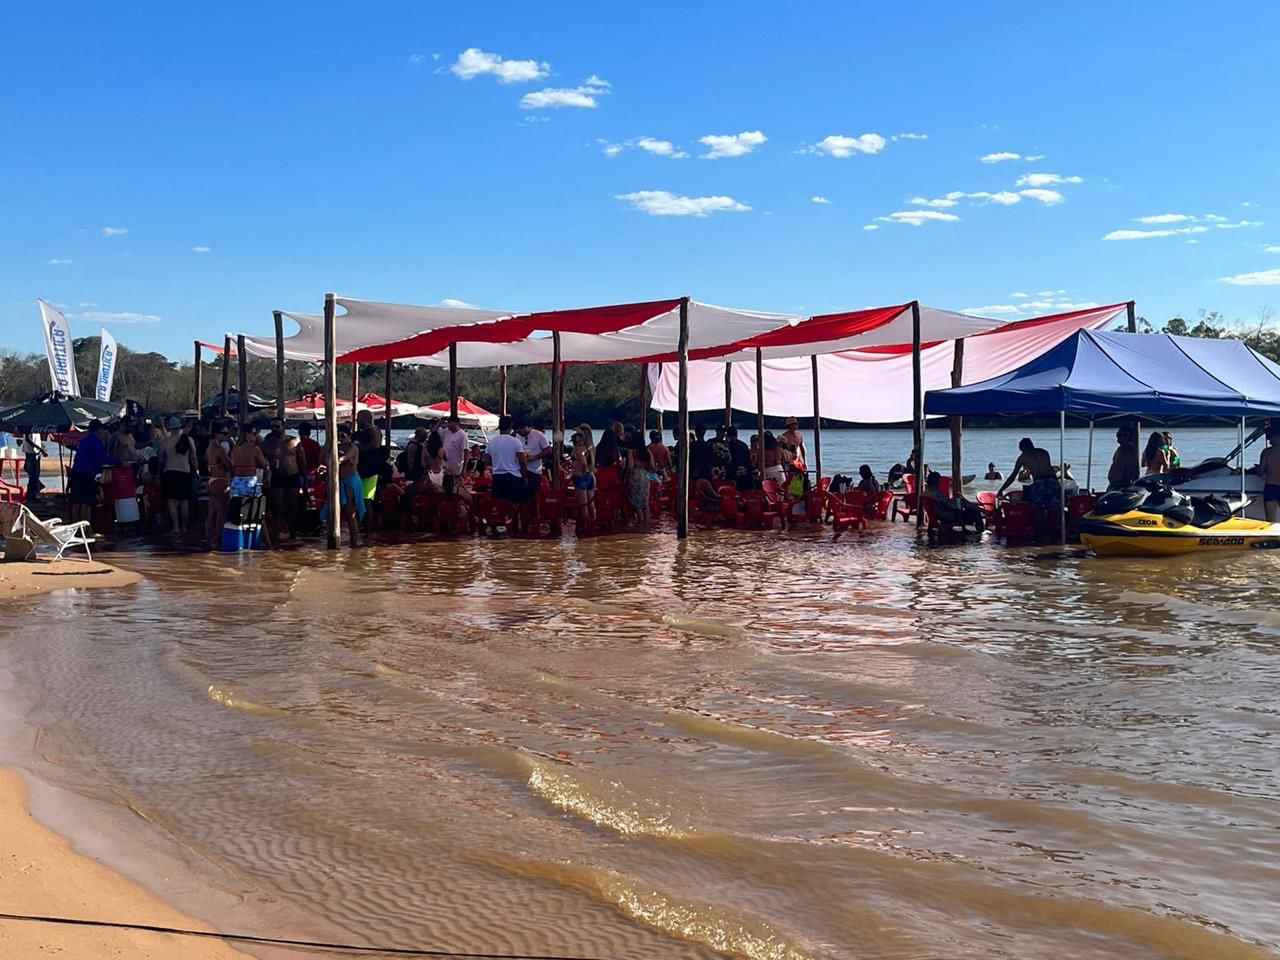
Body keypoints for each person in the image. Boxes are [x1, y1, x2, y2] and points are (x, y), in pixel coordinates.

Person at [997, 437, 1060, 535]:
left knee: (1039, 511)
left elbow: (1013, 476)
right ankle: (1055, 533)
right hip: (1052, 480)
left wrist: (1001, 489)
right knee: (1055, 509)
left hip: (1039, 482)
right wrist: (1058, 485)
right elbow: (1050, 468)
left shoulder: (1023, 457)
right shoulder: (1044, 452)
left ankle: (1040, 535)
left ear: (1022, 448)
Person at [262, 418, 304, 539]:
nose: (274, 429)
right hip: (277, 477)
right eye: (272, 427)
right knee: (277, 508)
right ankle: (275, 537)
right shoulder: (267, 443)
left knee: (293, 508)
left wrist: (304, 479)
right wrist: (265, 477)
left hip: (292, 476)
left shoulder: (294, 441)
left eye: (277, 426)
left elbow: (302, 461)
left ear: (283, 426)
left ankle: (293, 535)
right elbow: (261, 462)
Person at [68, 420, 115, 525]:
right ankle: (87, 528)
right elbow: (103, 459)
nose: (104, 432)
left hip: (76, 473)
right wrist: (119, 462)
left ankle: (75, 527)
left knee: (76, 502)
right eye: (103, 429)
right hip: (86, 474)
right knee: (86, 503)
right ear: (98, 430)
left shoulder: (84, 440)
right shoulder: (96, 442)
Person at [158, 417, 198, 535]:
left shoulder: (165, 443)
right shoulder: (189, 440)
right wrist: (195, 470)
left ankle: (176, 527)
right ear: (180, 427)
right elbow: (194, 458)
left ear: (170, 428)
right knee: (184, 501)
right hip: (184, 472)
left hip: (170, 473)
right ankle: (184, 527)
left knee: (171, 501)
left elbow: (161, 460)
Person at [486, 415, 526, 523]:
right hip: (513, 476)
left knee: (498, 503)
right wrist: (524, 476)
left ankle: (499, 523)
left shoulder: (492, 442)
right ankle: (513, 525)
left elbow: (487, 460)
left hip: (498, 476)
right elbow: (522, 460)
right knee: (514, 504)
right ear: (510, 427)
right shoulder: (516, 442)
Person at [205, 421, 234, 544]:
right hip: (221, 481)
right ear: (217, 434)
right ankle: (219, 540)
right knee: (221, 514)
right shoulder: (219, 449)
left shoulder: (210, 446)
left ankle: (208, 539)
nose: (227, 436)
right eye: (224, 433)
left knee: (211, 513)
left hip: (212, 479)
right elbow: (230, 466)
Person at [517, 418, 551, 498]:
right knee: (520, 494)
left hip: (534, 470)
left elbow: (548, 450)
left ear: (528, 427)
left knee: (533, 495)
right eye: (519, 430)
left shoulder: (539, 435)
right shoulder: (517, 436)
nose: (521, 432)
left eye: (523, 429)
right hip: (520, 469)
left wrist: (534, 457)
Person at [628, 447, 660, 529]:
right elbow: (653, 467)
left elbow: (630, 467)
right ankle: (646, 524)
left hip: (635, 476)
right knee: (645, 502)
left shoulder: (632, 451)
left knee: (637, 502)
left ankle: (641, 523)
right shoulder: (648, 451)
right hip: (645, 476)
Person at [570, 430, 596, 525]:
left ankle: (585, 528)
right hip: (590, 477)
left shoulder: (578, 449)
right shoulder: (588, 447)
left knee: (583, 506)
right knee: (591, 504)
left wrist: (583, 471)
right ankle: (593, 524)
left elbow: (584, 462)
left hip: (581, 477)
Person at [442, 415, 469, 494]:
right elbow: (434, 433)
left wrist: (464, 469)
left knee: (454, 489)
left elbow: (466, 452)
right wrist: (440, 422)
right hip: (445, 468)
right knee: (445, 489)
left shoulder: (462, 435)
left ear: (456, 423)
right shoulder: (446, 432)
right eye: (448, 423)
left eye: (450, 423)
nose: (448, 425)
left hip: (456, 468)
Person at [1258, 428, 1280, 522]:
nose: (1269, 440)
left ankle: (1272, 536)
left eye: (1270, 437)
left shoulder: (1267, 452)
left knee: (1271, 521)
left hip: (1271, 487)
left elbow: (1261, 471)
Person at [20, 428, 47, 499]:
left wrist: (41, 448)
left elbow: (35, 440)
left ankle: (33, 492)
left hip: (35, 452)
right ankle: (31, 494)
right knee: (33, 474)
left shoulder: (36, 427)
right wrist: (40, 448)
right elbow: (27, 439)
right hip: (31, 452)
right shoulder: (29, 426)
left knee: (34, 474)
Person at [726, 427, 752, 492]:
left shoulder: (729, 445)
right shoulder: (744, 445)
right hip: (745, 473)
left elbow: (731, 461)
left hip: (734, 474)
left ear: (727, 435)